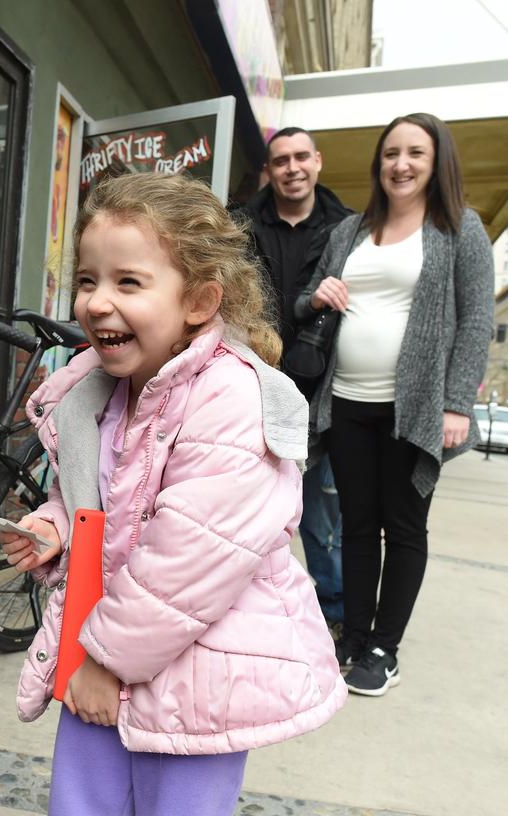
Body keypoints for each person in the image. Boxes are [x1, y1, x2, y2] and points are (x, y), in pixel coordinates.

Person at [0, 172, 346, 816]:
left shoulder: (232, 399)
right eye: (87, 279)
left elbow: (191, 557)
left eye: (128, 282)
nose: (98, 302)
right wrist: (56, 526)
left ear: (199, 300)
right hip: (98, 647)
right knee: (79, 805)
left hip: (194, 678)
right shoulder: (98, 392)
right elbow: (92, 495)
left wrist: (106, 663)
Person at [295, 112, 494, 696]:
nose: (400, 164)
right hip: (348, 401)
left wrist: (457, 404)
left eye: (415, 154)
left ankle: (385, 647)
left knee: (404, 527)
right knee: (356, 526)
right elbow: (310, 300)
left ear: (436, 164)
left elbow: (477, 320)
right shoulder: (351, 232)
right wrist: (316, 298)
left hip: (415, 408)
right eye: (391, 153)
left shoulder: (461, 229)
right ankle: (353, 637)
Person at [239, 126, 354, 634]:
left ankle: (332, 611)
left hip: (321, 392)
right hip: (255, 387)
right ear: (270, 169)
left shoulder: (349, 229)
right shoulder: (240, 223)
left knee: (321, 520)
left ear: (318, 161)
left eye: (301, 157)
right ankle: (259, 608)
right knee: (251, 507)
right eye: (281, 160)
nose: (292, 168)